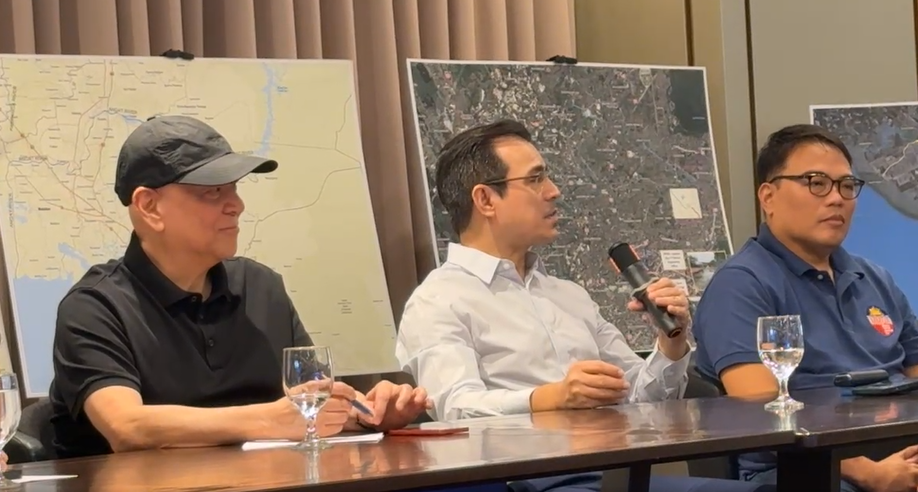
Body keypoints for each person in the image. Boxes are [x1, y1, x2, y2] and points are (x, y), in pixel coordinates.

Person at [397, 119, 774, 492]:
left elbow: (640, 399)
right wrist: (550, 398)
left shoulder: (568, 295)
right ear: (485, 200)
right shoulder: (439, 299)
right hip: (527, 483)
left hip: (612, 474)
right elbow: (456, 411)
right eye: (535, 179)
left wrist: (670, 343)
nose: (554, 191)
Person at [49, 115, 429, 459]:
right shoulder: (95, 307)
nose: (237, 205)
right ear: (149, 206)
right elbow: (126, 427)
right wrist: (269, 420)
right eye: (212, 192)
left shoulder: (261, 287)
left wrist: (367, 413)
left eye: (233, 189)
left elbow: (312, 403)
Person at [693, 124, 918, 492]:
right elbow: (762, 413)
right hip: (807, 469)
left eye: (847, 185)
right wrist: (869, 473)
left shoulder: (875, 279)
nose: (836, 198)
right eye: (816, 183)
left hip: (899, 451)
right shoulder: (741, 286)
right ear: (768, 197)